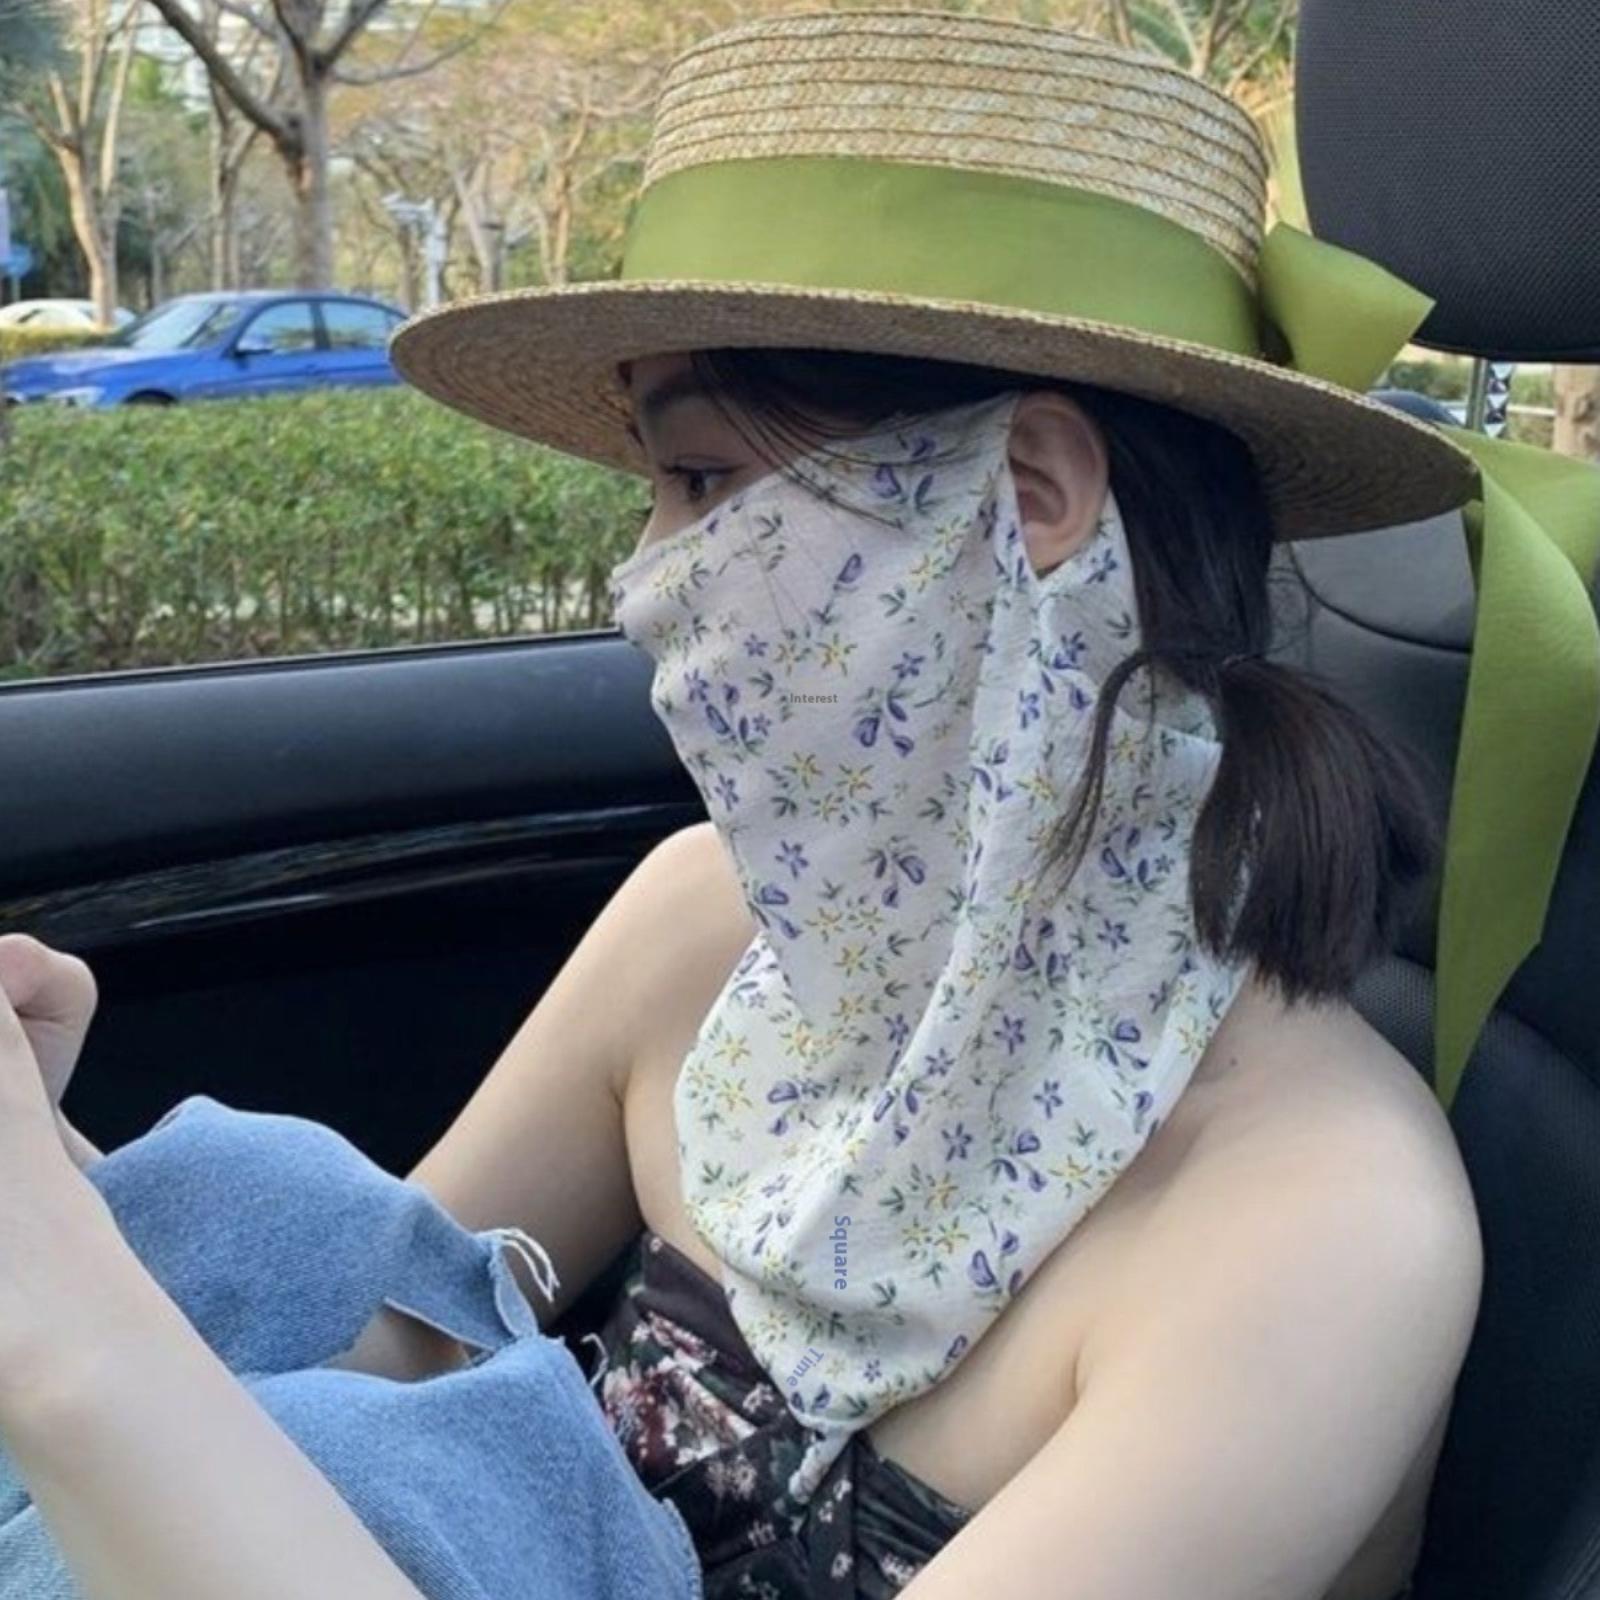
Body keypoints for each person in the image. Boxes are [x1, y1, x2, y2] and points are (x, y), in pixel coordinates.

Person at [14, 5, 1600, 1598]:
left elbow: (184, 1416)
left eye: (702, 481)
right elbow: (373, 1351)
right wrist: (61, 1186)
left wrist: (73, 1355)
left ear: (1027, 495)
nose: (644, 577)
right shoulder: (702, 928)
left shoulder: (1319, 1230)